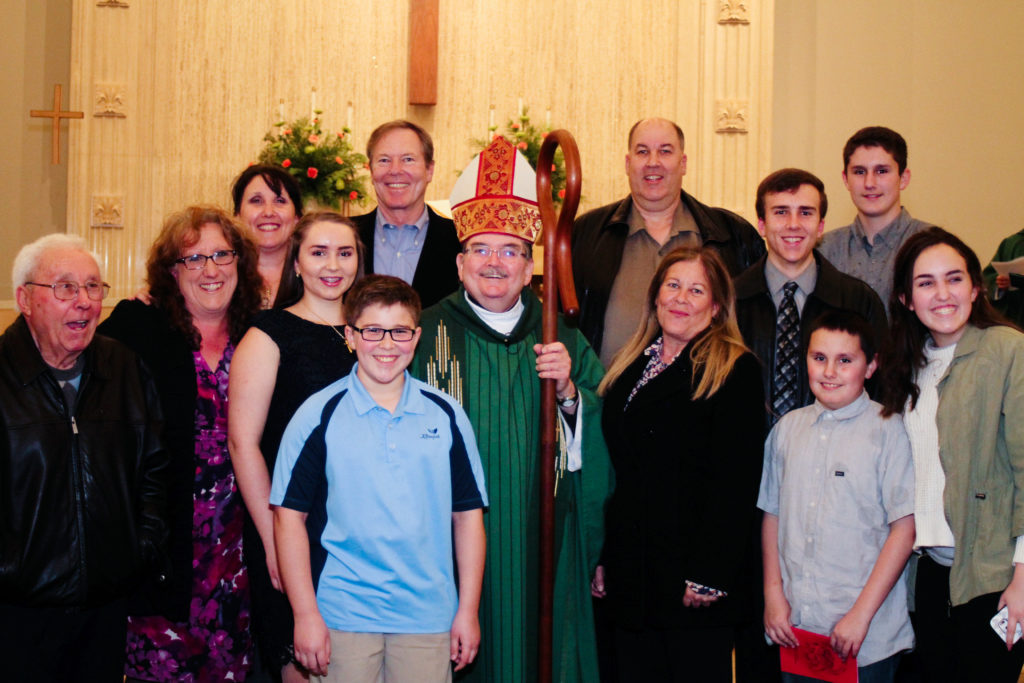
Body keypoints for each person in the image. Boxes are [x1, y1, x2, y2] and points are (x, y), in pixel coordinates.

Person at [411, 136, 613, 682]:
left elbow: (600, 431)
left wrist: (571, 395)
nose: (494, 263)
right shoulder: (421, 333)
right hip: (443, 546)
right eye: (480, 249)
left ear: (531, 269)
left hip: (540, 539)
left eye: (511, 251)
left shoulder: (560, 334)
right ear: (458, 263)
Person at [271, 275, 487, 683]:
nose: (387, 344)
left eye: (400, 331)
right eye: (372, 330)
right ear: (351, 336)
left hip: (429, 616)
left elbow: (468, 518)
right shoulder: (318, 413)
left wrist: (468, 610)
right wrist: (305, 615)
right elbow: (288, 518)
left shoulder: (447, 414)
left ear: (417, 336)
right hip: (343, 614)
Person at [100, 206, 263, 681]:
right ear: (172, 272)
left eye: (221, 255)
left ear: (240, 262)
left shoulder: (264, 332)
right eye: (193, 259)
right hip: (166, 552)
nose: (210, 270)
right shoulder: (137, 328)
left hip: (239, 553)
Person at [0, 233, 168, 682]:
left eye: (93, 287)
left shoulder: (124, 368)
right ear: (25, 300)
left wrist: (139, 550)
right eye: (65, 287)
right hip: (16, 613)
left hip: (105, 609)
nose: (84, 302)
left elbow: (155, 472)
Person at [593, 246, 766, 682]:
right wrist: (604, 557)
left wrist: (710, 573)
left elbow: (736, 483)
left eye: (696, 290)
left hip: (692, 583)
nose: (680, 298)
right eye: (672, 285)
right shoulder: (630, 365)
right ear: (655, 295)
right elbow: (616, 474)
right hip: (632, 574)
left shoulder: (734, 369)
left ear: (716, 307)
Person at [877, 227, 1024, 682]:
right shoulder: (905, 364)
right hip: (925, 578)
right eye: (926, 283)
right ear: (905, 298)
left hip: (994, 578)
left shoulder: (1008, 350)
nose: (942, 294)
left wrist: (1023, 581)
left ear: (976, 287)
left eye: (954, 279)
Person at [229, 211, 363, 682]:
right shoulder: (269, 333)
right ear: (297, 263)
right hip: (294, 525)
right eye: (318, 252)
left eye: (344, 253)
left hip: (361, 526)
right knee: (304, 661)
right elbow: (243, 443)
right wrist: (272, 538)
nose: (333, 265)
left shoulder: (374, 332)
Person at [759, 310, 915, 683]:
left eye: (845, 360)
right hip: (797, 630)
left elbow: (905, 530)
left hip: (866, 637)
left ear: (871, 366)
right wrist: (773, 595)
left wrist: (860, 616)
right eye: (819, 358)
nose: (829, 371)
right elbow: (771, 516)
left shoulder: (889, 430)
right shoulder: (786, 430)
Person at [572, 116, 766, 364]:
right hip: (605, 397)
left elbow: (755, 326)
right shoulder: (586, 233)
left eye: (665, 151)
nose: (653, 162)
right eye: (643, 152)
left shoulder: (732, 235)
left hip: (703, 399)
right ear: (628, 163)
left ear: (683, 163)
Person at [734, 168, 888, 428]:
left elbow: (882, 390)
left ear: (820, 226)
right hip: (746, 457)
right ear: (762, 224)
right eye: (781, 212)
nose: (793, 224)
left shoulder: (858, 301)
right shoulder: (730, 301)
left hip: (834, 455)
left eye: (805, 212)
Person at [819, 127, 934, 314]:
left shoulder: (934, 245)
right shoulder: (823, 250)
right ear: (845, 179)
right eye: (859, 172)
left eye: (881, 171)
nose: (869, 183)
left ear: (903, 178)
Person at [351, 120, 461, 309]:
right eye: (384, 160)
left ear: (429, 170)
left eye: (408, 159)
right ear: (371, 171)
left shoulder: (461, 239)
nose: (395, 170)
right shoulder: (345, 237)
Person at [232, 164, 305, 308]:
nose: (268, 212)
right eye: (256, 201)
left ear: (297, 217)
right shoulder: (223, 274)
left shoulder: (313, 275)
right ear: (237, 215)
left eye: (279, 201)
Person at [983, 227, 1024, 327]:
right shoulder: (1011, 243)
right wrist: (1000, 284)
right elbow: (987, 276)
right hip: (1014, 320)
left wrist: (1016, 281)